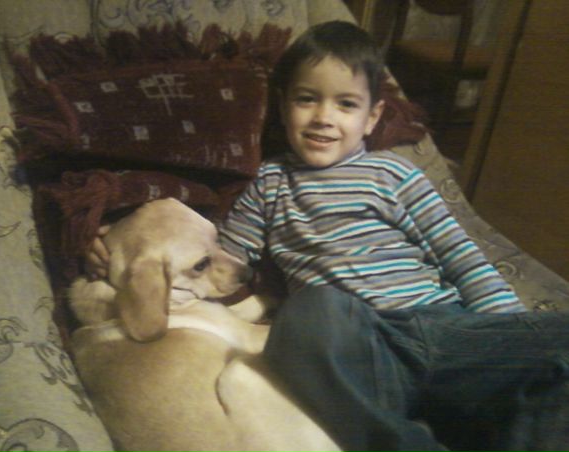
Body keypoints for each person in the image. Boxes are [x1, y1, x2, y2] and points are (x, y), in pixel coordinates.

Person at [87, 21, 569, 452]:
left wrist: (511, 336)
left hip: (444, 330)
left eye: (346, 104)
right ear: (283, 107)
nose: (324, 116)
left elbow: (463, 258)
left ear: (372, 118)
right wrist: (117, 249)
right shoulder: (271, 183)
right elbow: (219, 263)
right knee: (310, 311)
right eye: (307, 99)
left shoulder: (395, 174)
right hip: (358, 352)